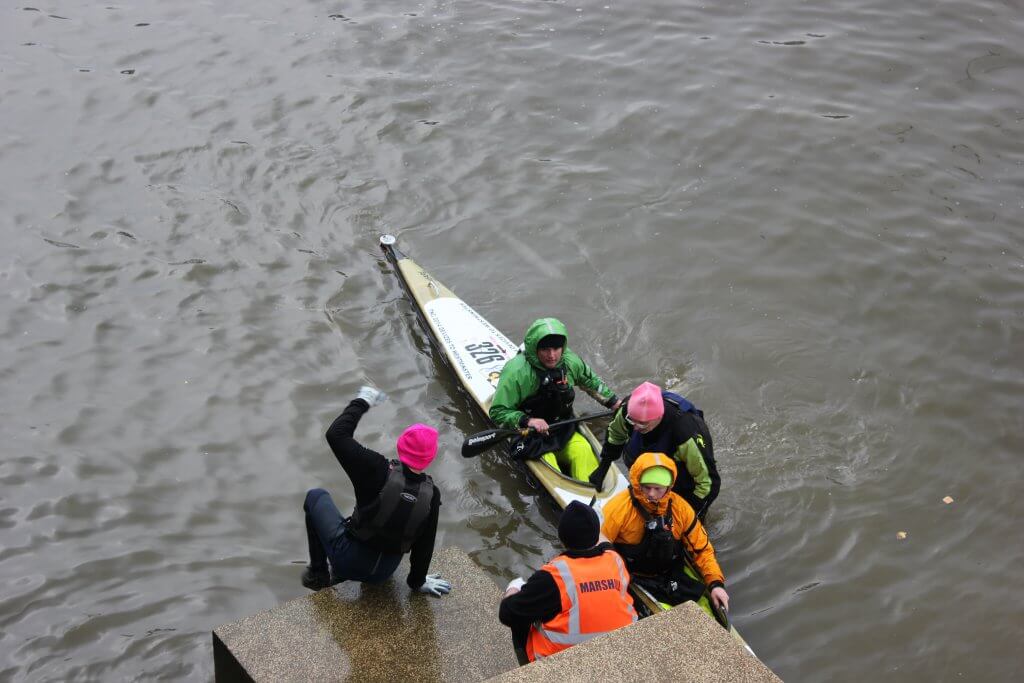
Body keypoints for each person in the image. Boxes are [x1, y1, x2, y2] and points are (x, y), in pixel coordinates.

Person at [301, 386, 451, 597]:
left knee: (316, 497)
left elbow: (336, 434)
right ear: (431, 457)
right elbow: (424, 546)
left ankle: (318, 575)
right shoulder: (432, 494)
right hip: (383, 573)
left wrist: (363, 400)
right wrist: (417, 582)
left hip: (347, 562)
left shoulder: (375, 468)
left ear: (400, 446)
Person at [498, 501, 637, 663]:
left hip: (568, 662)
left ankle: (529, 670)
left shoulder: (554, 577)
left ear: (562, 537)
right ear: (595, 535)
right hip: (622, 646)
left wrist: (513, 589)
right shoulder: (614, 559)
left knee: (521, 616)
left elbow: (507, 614)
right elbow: (605, 544)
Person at [488, 318, 620, 480]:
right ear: (535, 348)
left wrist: (614, 403)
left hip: (562, 427)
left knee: (583, 451)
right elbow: (497, 412)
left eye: (557, 348)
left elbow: (590, 381)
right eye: (545, 349)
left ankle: (594, 500)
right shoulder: (516, 372)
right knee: (549, 461)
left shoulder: (570, 361)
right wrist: (528, 421)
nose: (552, 356)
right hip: (531, 435)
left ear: (563, 347)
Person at [601, 452, 729, 613]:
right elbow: (599, 551)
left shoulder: (681, 509)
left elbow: (702, 550)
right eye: (646, 487)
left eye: (658, 488)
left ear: (668, 488)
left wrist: (716, 584)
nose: (652, 494)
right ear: (637, 483)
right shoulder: (617, 509)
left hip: (672, 572)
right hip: (635, 576)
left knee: (704, 608)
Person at [589, 381, 720, 519]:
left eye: (642, 423)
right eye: (632, 421)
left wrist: (686, 516)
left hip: (678, 481)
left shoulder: (685, 431)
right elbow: (615, 436)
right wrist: (604, 466)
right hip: (645, 473)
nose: (635, 428)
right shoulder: (628, 410)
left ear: (658, 416)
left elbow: (708, 483)